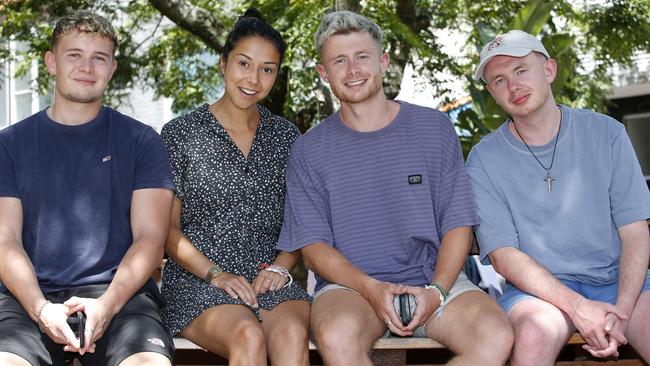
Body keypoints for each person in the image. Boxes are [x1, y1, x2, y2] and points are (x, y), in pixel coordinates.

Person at [277, 10, 513, 365]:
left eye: (362, 57)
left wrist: (436, 291)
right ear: (323, 74)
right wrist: (372, 289)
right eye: (339, 61)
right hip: (350, 289)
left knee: (495, 336)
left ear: (383, 61)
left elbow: (457, 224)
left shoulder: (434, 129)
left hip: (434, 281)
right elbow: (314, 249)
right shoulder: (309, 150)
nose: (353, 70)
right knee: (337, 338)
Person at [0, 10, 175, 366]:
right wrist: (41, 309)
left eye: (99, 58)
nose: (87, 67)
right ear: (51, 62)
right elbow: (5, 241)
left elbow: (150, 240)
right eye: (74, 55)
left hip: (121, 295)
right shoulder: (10, 144)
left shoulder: (142, 141)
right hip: (29, 296)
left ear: (112, 68)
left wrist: (107, 306)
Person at [468, 29, 650, 365]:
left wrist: (622, 311)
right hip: (538, 293)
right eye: (499, 81)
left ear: (548, 70)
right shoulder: (483, 159)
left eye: (521, 71)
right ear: (492, 93)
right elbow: (504, 255)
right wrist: (577, 306)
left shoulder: (607, 133)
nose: (513, 86)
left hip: (618, 279)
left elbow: (635, 229)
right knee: (534, 335)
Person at [159, 9, 311, 366]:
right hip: (199, 280)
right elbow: (166, 229)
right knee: (248, 336)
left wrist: (279, 268)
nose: (254, 79)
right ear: (223, 63)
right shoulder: (181, 134)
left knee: (291, 335)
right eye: (244, 63)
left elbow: (299, 221)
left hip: (268, 279)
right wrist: (217, 274)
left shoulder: (287, 138)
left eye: (267, 69)